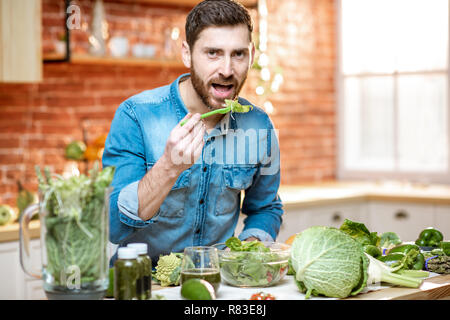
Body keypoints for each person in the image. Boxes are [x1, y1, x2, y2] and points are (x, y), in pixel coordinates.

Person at [102, 0, 283, 266]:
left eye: (238, 54)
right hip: (142, 285)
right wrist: (167, 168)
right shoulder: (136, 116)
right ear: (187, 54)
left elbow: (266, 208)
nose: (226, 69)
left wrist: (247, 251)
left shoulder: (258, 125)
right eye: (213, 53)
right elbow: (113, 227)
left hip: (217, 285)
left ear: (252, 55)